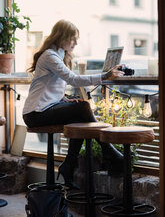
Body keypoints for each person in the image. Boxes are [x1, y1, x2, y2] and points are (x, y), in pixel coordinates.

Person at [23, 19, 125, 189]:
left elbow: (50, 88)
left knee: (79, 113)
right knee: (83, 107)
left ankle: (70, 165)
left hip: (45, 109)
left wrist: (64, 100)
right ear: (61, 37)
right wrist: (105, 75)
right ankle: (108, 152)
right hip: (35, 113)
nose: (76, 43)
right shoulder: (50, 55)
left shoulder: (59, 55)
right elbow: (73, 79)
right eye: (73, 38)